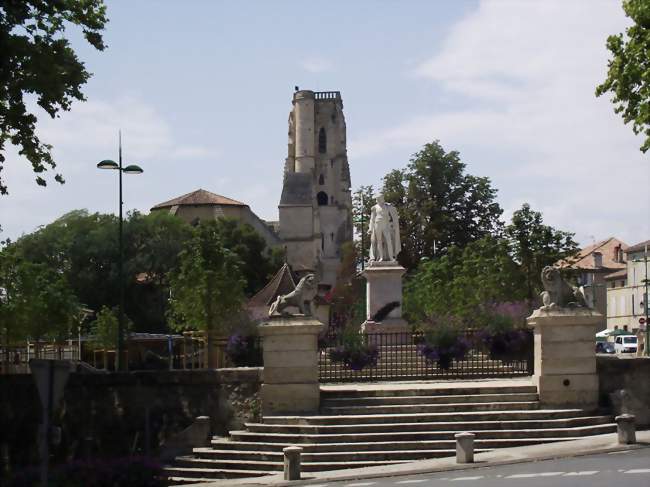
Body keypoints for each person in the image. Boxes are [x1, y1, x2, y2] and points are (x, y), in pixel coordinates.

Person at [368, 194, 401, 262]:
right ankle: (381, 257)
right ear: (378, 199)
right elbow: (372, 219)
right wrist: (370, 228)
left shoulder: (387, 206)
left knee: (389, 241)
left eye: (383, 197)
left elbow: (393, 214)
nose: (383, 199)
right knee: (379, 241)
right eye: (381, 198)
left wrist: (394, 224)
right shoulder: (375, 207)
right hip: (377, 224)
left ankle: (391, 257)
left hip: (386, 225)